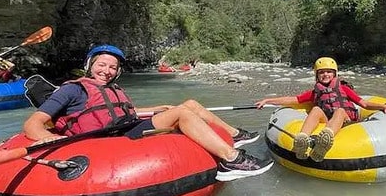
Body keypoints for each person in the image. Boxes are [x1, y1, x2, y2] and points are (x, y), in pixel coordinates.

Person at [23, 45, 272, 181]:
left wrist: (156, 109)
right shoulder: (72, 90)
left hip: (123, 130)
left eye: (112, 67)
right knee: (182, 115)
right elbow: (34, 123)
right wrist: (51, 139)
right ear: (90, 66)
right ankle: (232, 160)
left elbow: (124, 113)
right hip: (104, 144)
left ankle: (234, 134)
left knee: (189, 105)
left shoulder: (112, 89)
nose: (107, 71)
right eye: (101, 65)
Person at [255, 57, 386, 162]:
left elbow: (363, 103)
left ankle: (326, 138)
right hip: (327, 120)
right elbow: (293, 100)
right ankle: (302, 139)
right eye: (321, 72)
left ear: (334, 74)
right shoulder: (315, 92)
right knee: (316, 110)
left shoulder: (344, 88)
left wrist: (384, 106)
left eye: (329, 72)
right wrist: (268, 100)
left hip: (347, 122)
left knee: (339, 111)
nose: (325, 74)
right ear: (317, 76)